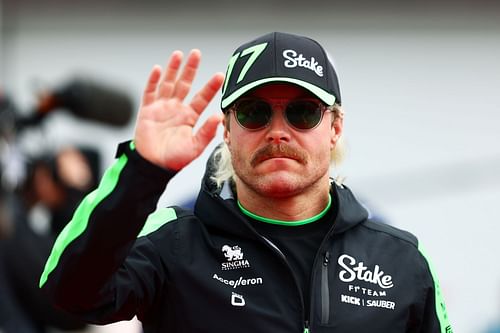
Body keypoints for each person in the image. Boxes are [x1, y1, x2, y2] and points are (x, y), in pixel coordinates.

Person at [39, 32, 453, 333]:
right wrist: (142, 170)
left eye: (303, 113)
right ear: (227, 130)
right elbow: (68, 292)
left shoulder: (403, 262)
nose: (277, 131)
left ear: (334, 128)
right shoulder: (173, 244)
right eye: (255, 112)